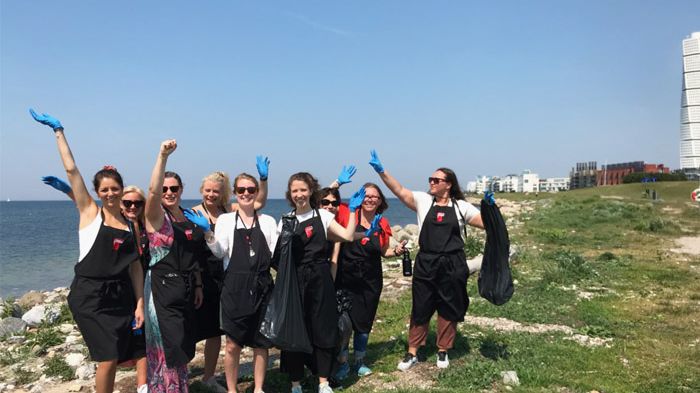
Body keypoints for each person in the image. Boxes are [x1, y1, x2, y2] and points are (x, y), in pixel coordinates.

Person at [30, 109, 144, 393]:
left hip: (121, 295)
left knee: (123, 355)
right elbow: (72, 170)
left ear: (121, 189)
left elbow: (134, 266)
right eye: (104, 189)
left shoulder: (131, 224)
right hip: (90, 296)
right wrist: (59, 131)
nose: (110, 193)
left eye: (114, 188)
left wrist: (140, 302)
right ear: (96, 192)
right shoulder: (91, 213)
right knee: (107, 358)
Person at [367, 150, 486, 371]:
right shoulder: (423, 200)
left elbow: (487, 224)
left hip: (453, 263)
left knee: (449, 307)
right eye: (430, 179)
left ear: (448, 184)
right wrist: (381, 171)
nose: (431, 182)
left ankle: (443, 350)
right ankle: (412, 352)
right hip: (426, 262)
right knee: (421, 306)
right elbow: (399, 190)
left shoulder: (461, 206)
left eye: (436, 180)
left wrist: (490, 209)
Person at [278, 172, 375, 393]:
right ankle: (295, 384)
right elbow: (279, 257)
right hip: (294, 280)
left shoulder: (322, 216)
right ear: (290, 194)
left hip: (320, 278)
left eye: (303, 189)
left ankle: (323, 382)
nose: (299, 194)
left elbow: (348, 236)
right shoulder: (285, 219)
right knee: (295, 331)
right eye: (295, 190)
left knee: (323, 329)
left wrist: (351, 211)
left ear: (311, 191)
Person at [202, 173, 278, 393]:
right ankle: (232, 389)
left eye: (251, 190)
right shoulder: (226, 220)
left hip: (263, 287)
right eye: (241, 190)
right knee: (233, 344)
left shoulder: (268, 221)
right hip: (234, 287)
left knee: (261, 343)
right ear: (235, 192)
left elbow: (274, 254)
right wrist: (208, 233)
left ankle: (259, 388)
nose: (246, 193)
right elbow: (219, 252)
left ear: (256, 193)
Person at [144, 139, 205, 392]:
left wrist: (199, 284)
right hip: (162, 293)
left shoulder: (188, 216)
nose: (169, 192)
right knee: (168, 349)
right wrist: (162, 156)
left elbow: (194, 255)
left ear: (181, 189)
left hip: (187, 289)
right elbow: (153, 192)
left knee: (182, 347)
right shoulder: (157, 216)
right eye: (166, 188)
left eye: (174, 188)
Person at [333, 183, 406, 380]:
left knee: (364, 326)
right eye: (366, 195)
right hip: (345, 280)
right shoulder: (347, 215)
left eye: (375, 196)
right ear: (359, 198)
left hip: (370, 282)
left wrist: (396, 251)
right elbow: (324, 200)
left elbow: (384, 251)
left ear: (380, 201)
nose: (370, 199)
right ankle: (342, 363)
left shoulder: (382, 223)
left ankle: (359, 362)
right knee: (343, 325)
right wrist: (337, 184)